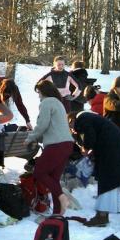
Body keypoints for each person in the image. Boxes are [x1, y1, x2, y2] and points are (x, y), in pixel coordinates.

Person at [67, 112, 120, 227]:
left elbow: (90, 135)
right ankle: (112, 207)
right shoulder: (89, 118)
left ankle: (102, 216)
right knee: (112, 179)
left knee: (107, 180)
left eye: (71, 127)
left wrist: (86, 148)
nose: (73, 130)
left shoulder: (82, 119)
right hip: (116, 144)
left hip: (111, 147)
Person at [26, 81, 74, 215]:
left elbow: (42, 125)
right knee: (53, 179)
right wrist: (40, 137)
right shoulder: (59, 103)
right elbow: (52, 126)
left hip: (56, 145)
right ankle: (57, 214)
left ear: (44, 92)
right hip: (67, 144)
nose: (39, 96)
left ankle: (62, 197)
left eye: (39, 93)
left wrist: (30, 138)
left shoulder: (47, 102)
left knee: (39, 172)